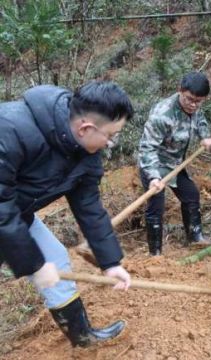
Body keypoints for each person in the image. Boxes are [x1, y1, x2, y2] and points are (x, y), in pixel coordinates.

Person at [0, 81, 134, 347]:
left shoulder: (85, 151)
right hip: (5, 213)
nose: (111, 144)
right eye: (110, 136)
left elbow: (89, 206)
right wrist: (33, 265)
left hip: (16, 214)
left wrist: (110, 263)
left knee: (56, 258)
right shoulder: (9, 128)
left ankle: (83, 338)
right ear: (86, 128)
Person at [138, 72, 211, 255]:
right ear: (180, 90)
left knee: (191, 195)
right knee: (156, 207)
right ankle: (155, 253)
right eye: (189, 100)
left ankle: (195, 237)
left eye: (198, 101)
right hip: (154, 165)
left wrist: (204, 137)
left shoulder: (195, 107)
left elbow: (200, 120)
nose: (193, 105)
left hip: (175, 164)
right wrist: (154, 177)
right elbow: (147, 149)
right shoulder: (162, 115)